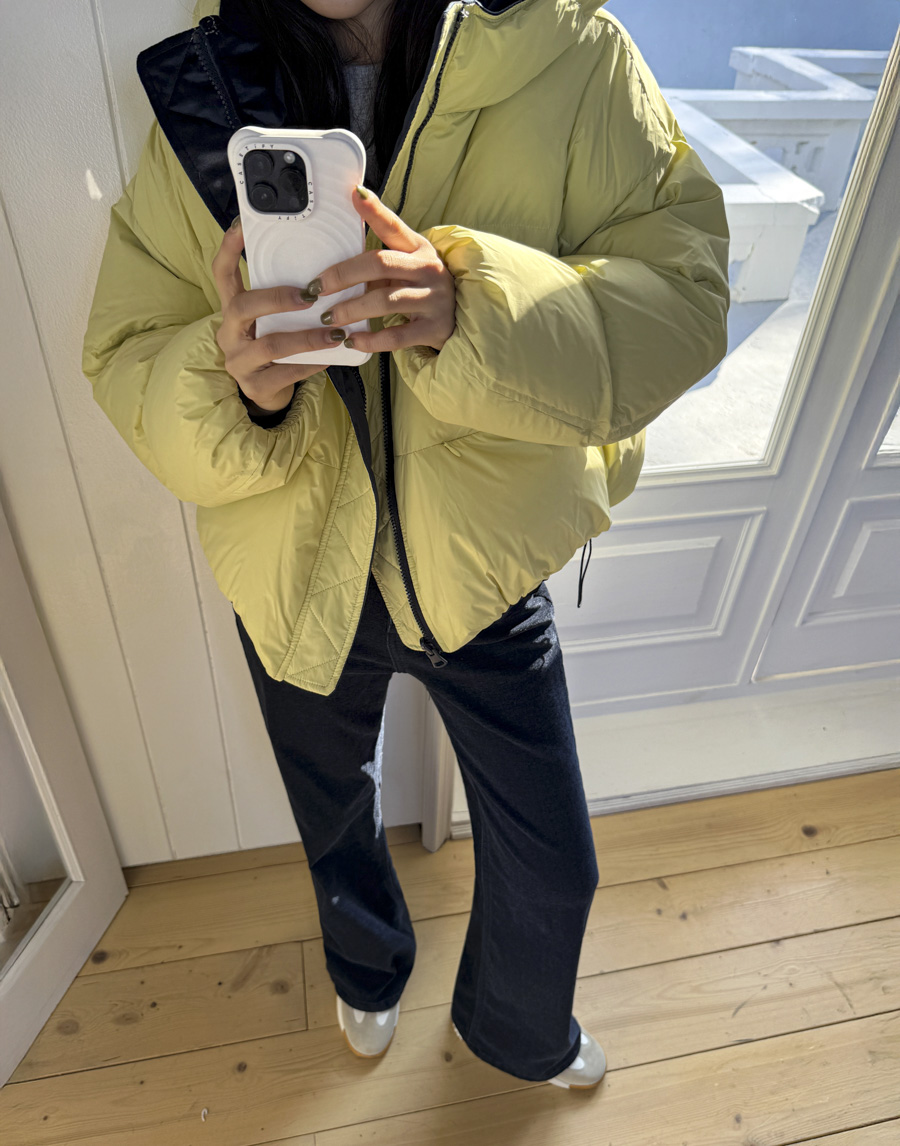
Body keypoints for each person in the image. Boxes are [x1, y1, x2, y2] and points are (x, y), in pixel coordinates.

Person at [81, 0, 730, 1089]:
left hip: (484, 569)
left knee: (552, 861)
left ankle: (519, 1031)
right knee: (332, 815)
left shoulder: (571, 48)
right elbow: (128, 348)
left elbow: (686, 295)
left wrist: (475, 310)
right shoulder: (206, 78)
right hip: (294, 566)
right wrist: (234, 385)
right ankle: (367, 971)